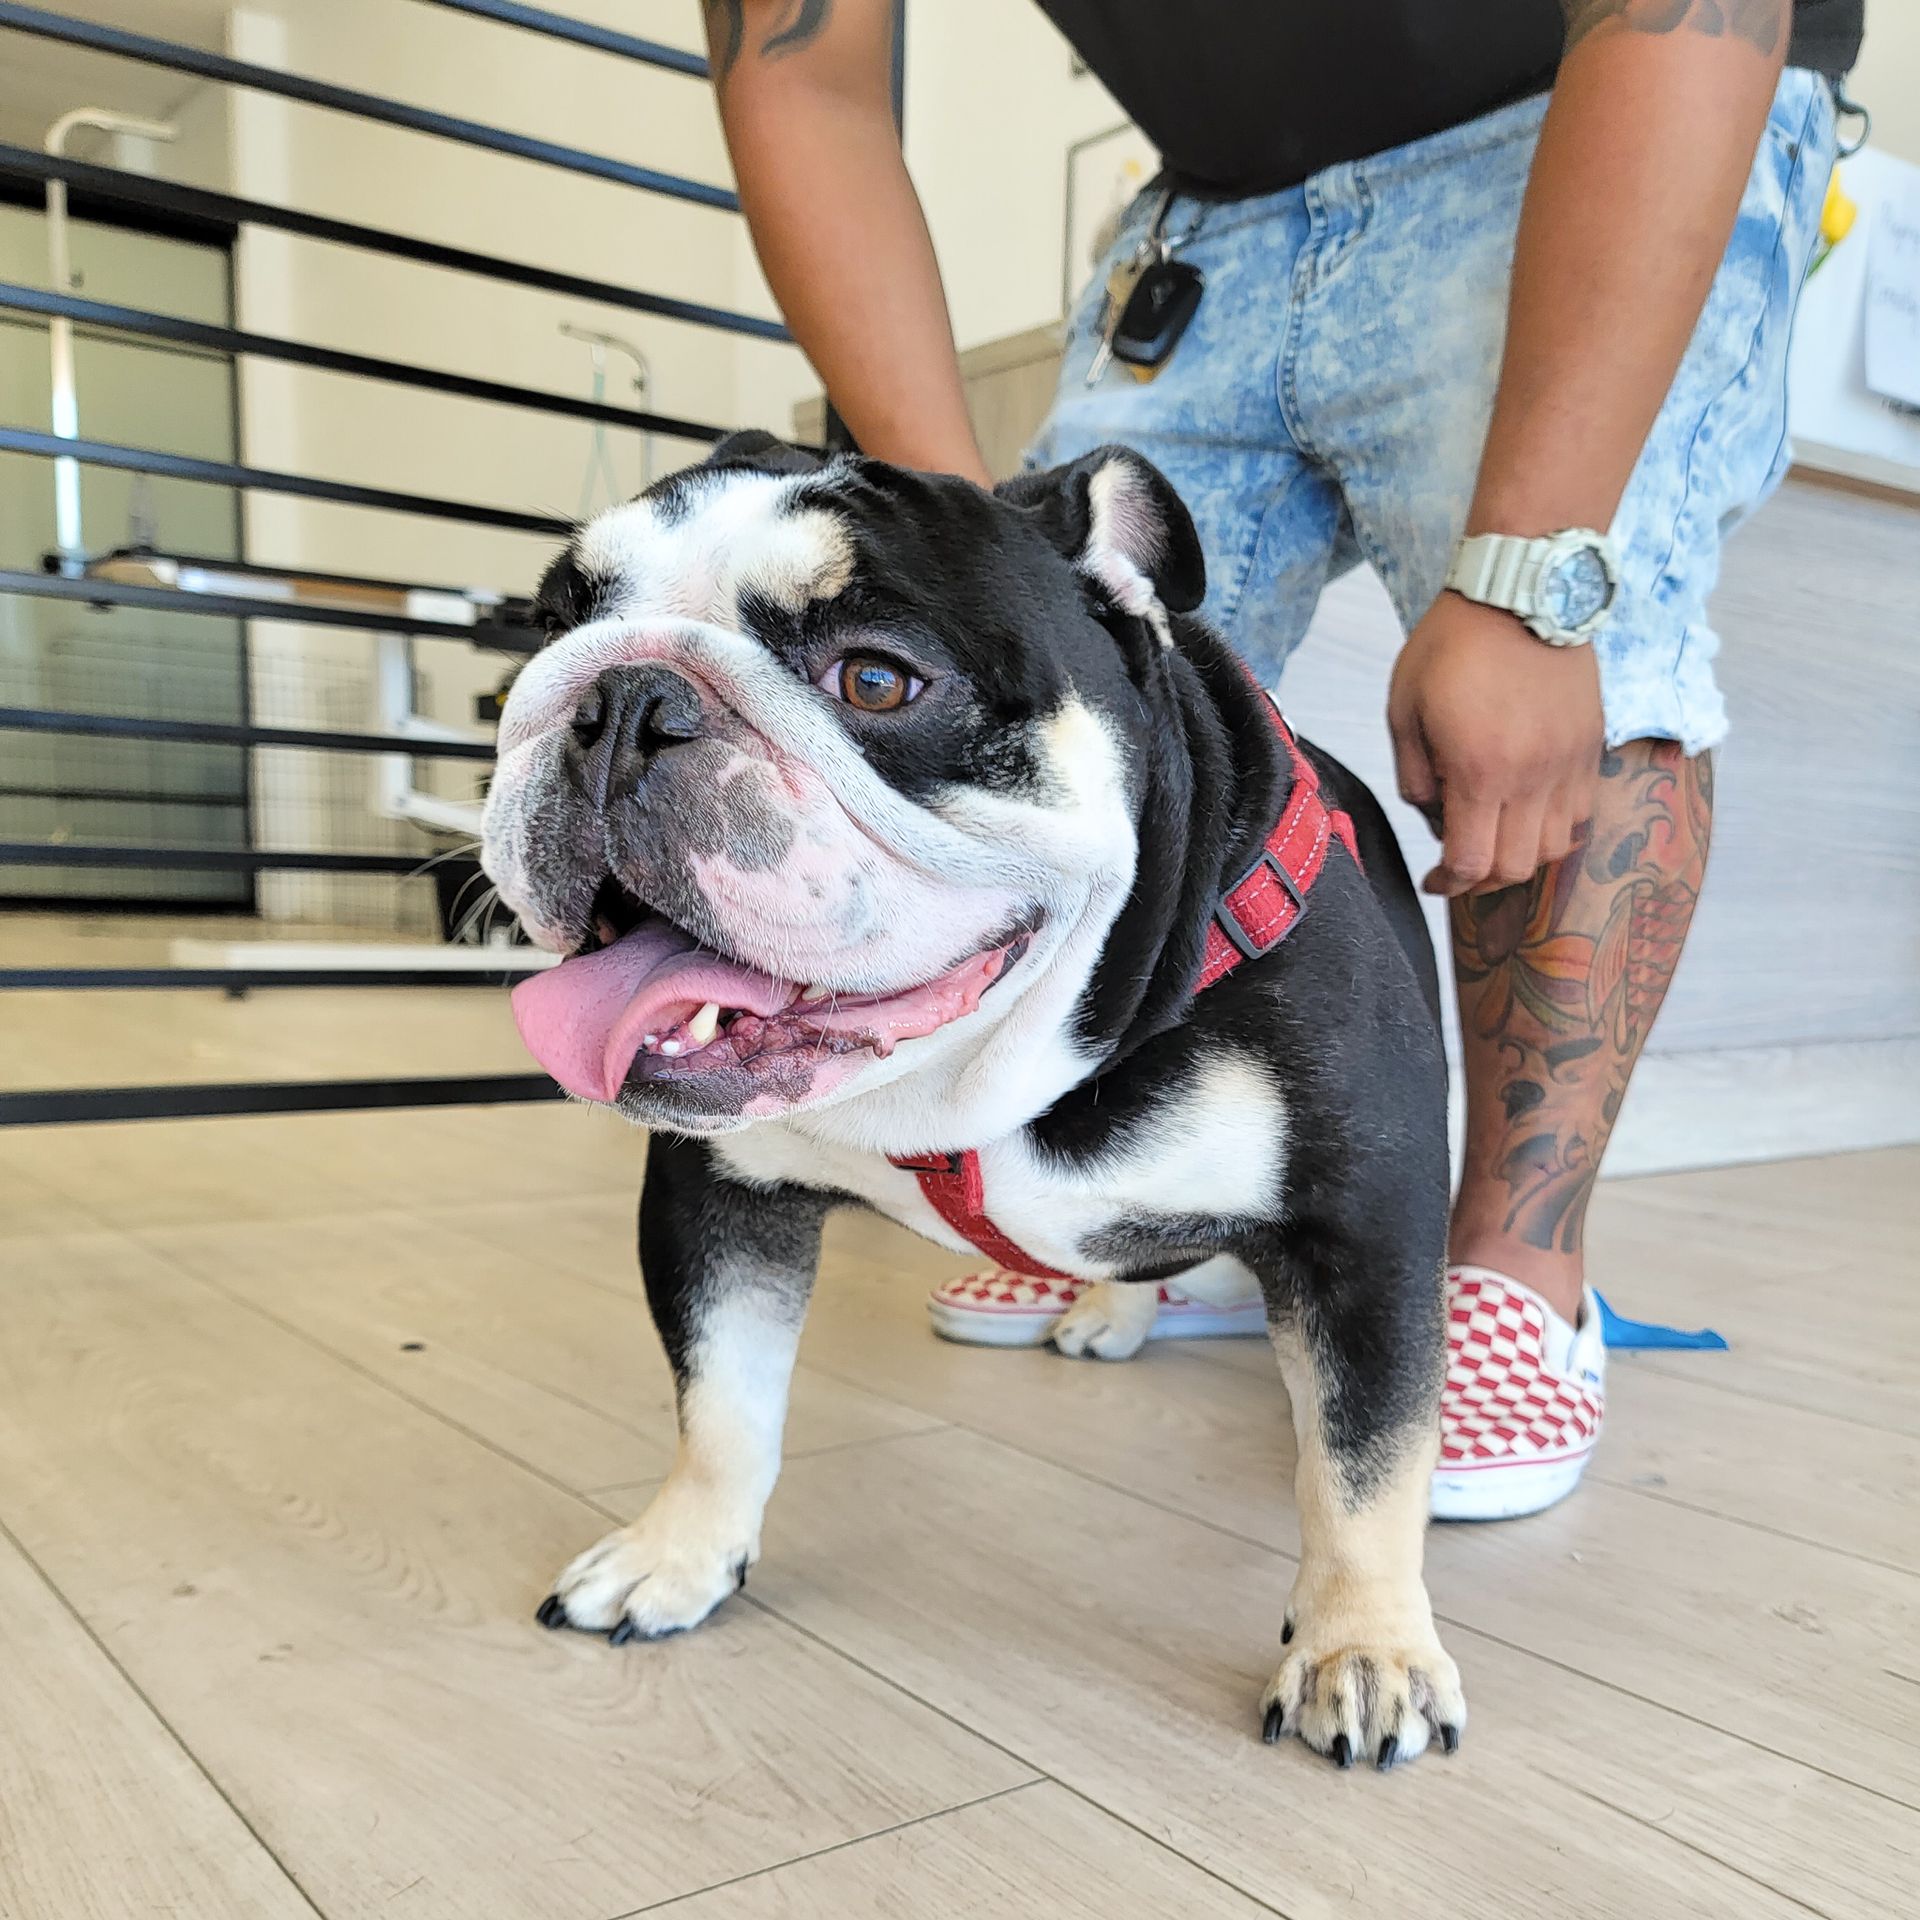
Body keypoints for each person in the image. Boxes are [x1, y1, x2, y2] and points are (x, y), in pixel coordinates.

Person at [701, 0, 1862, 1518]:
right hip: (1204, 217)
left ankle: (1518, 1269)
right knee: (1075, 724)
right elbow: (806, 76)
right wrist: (966, 560)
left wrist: (1530, 563)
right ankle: (1172, 1214)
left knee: (1585, 665)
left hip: (1589, 110)